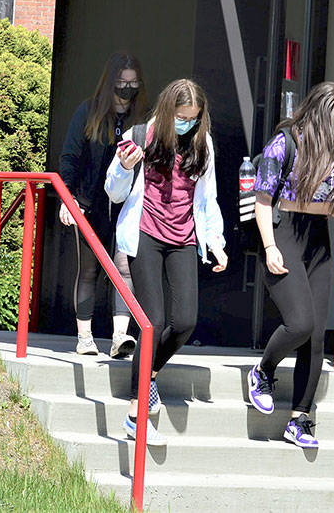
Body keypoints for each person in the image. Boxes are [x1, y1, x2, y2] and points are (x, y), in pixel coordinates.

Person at [106, 78, 228, 448]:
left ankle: (150, 373)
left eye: (193, 118)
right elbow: (112, 191)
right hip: (145, 234)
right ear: (167, 111)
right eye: (181, 117)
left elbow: (208, 200)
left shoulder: (201, 144)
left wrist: (217, 244)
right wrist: (125, 168)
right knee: (152, 322)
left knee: (185, 320)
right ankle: (135, 414)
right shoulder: (140, 135)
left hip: (184, 238)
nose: (187, 124)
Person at [245, 81, 334, 449]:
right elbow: (263, 200)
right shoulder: (286, 143)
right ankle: (263, 371)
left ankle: (300, 419)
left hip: (317, 239)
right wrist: (269, 246)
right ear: (318, 114)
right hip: (283, 234)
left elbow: (331, 201)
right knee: (299, 322)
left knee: (315, 338)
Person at [57, 51, 147, 358]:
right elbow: (69, 158)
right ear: (110, 83)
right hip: (89, 203)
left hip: (128, 208)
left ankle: (120, 336)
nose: (127, 88)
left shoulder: (143, 119)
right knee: (90, 270)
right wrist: (68, 199)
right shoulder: (89, 112)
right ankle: (85, 337)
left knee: (124, 268)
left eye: (133, 82)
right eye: (122, 82)